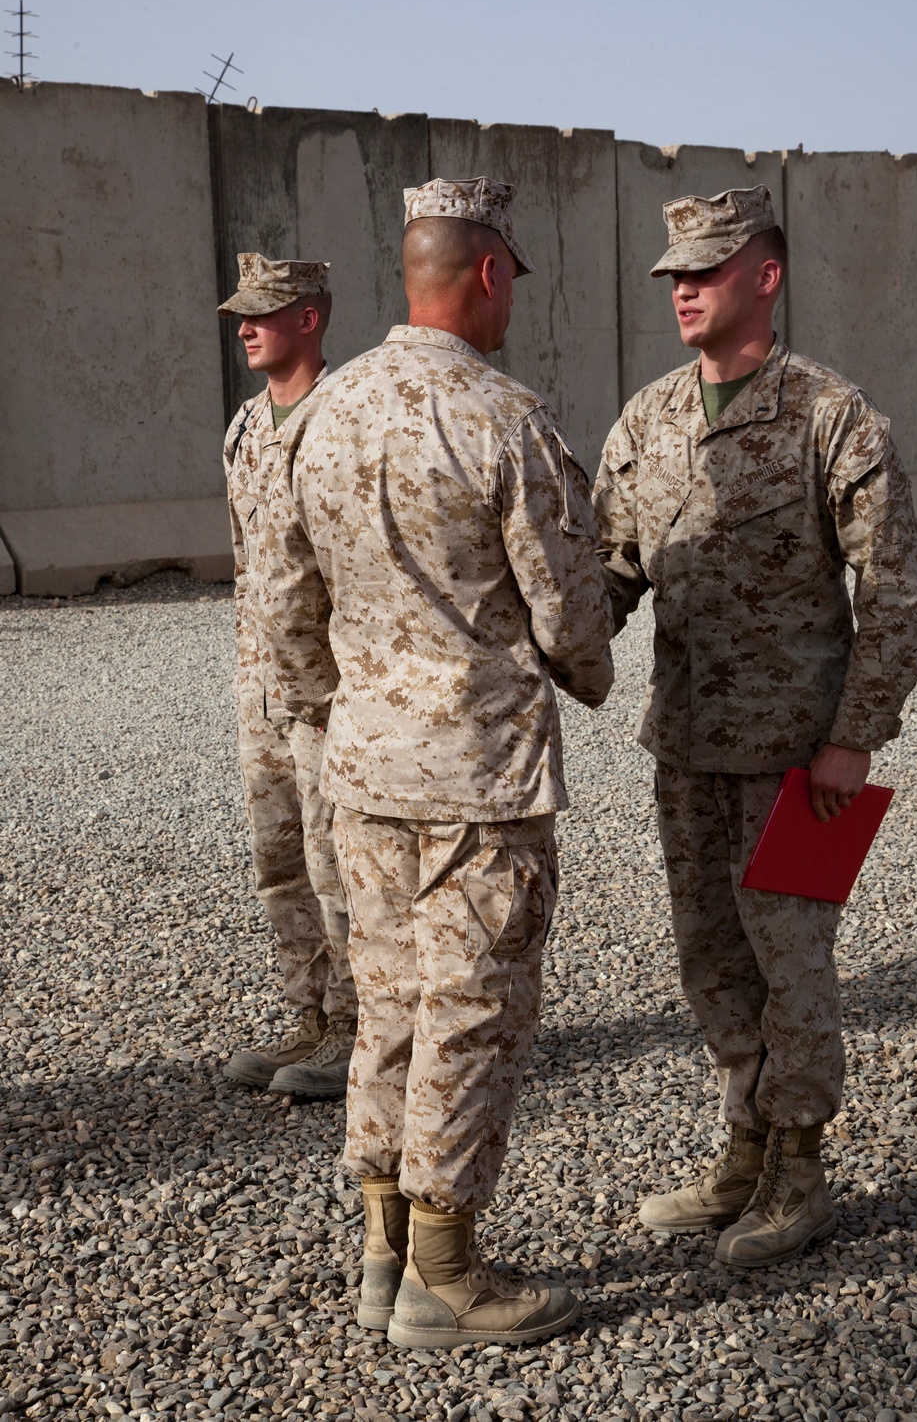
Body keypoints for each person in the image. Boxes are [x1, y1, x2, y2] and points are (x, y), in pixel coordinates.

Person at [262, 179, 614, 1348]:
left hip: (363, 773)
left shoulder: (324, 415)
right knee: (471, 1014)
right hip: (478, 781)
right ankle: (447, 1277)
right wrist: (590, 668)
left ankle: (380, 1253)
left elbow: (284, 610)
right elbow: (569, 621)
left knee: (390, 1012)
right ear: (490, 272)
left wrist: (342, 710)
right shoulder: (503, 417)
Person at [593, 186, 917, 1269]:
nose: (683, 290)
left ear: (765, 277)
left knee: (795, 963)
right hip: (685, 745)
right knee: (710, 962)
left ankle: (799, 1165)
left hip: (799, 755)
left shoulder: (830, 416)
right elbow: (607, 573)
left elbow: (892, 591)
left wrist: (854, 735)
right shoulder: (645, 420)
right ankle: (743, 1143)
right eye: (674, 275)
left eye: (705, 270)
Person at [219, 253, 357, 1098]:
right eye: (241, 313)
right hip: (261, 686)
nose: (245, 327)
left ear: (310, 317)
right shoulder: (241, 427)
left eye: (264, 312)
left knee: (339, 860)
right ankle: (308, 1012)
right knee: (280, 860)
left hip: (333, 688)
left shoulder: (348, 417)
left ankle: (357, 1028)